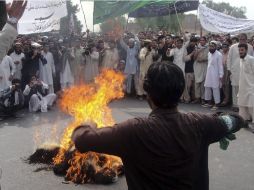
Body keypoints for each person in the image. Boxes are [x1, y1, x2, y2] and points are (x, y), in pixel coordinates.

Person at [72, 62, 245, 190]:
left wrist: (88, 122)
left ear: (148, 94)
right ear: (180, 90)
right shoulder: (201, 123)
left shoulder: (132, 131)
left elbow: (81, 140)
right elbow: (236, 120)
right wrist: (220, 120)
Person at [227, 33, 254, 112]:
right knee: (235, 88)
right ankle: (235, 105)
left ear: (246, 39)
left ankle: (244, 106)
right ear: (238, 39)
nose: (242, 41)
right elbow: (229, 58)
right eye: (240, 39)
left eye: (243, 39)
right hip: (235, 71)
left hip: (246, 72)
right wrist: (229, 69)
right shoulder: (233, 47)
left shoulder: (250, 47)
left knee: (245, 89)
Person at [237, 43, 254, 133]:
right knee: (242, 105)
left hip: (251, 87)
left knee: (252, 106)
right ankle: (244, 122)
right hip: (242, 87)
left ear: (246, 50)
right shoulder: (240, 60)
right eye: (239, 50)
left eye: (242, 50)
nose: (240, 52)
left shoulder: (251, 59)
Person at [203, 41, 223, 110]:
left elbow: (220, 66)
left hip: (215, 74)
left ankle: (217, 104)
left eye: (212, 46)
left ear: (216, 47)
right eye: (210, 46)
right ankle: (209, 102)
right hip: (209, 73)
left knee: (215, 88)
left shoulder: (219, 54)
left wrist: (221, 75)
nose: (211, 48)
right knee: (207, 87)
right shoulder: (209, 53)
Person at [193, 36, 209, 104]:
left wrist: (203, 60)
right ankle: (197, 98)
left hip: (205, 66)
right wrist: (197, 51)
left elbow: (209, 58)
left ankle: (203, 98)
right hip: (197, 67)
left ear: (205, 41)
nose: (202, 41)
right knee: (197, 83)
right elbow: (194, 58)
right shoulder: (197, 47)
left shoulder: (208, 48)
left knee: (203, 83)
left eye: (203, 40)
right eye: (201, 40)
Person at [183, 37, 197, 103]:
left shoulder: (196, 48)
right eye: (192, 42)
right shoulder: (186, 48)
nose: (193, 43)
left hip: (195, 69)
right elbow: (185, 59)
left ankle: (194, 98)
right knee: (188, 86)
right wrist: (192, 54)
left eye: (194, 42)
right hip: (188, 69)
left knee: (194, 86)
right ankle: (187, 98)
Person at [220, 42, 230, 106]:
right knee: (222, 85)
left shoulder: (229, 54)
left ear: (228, 48)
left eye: (225, 47)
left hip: (227, 69)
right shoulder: (220, 53)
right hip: (221, 69)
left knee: (227, 85)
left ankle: (227, 99)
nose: (224, 48)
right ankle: (225, 98)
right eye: (223, 47)